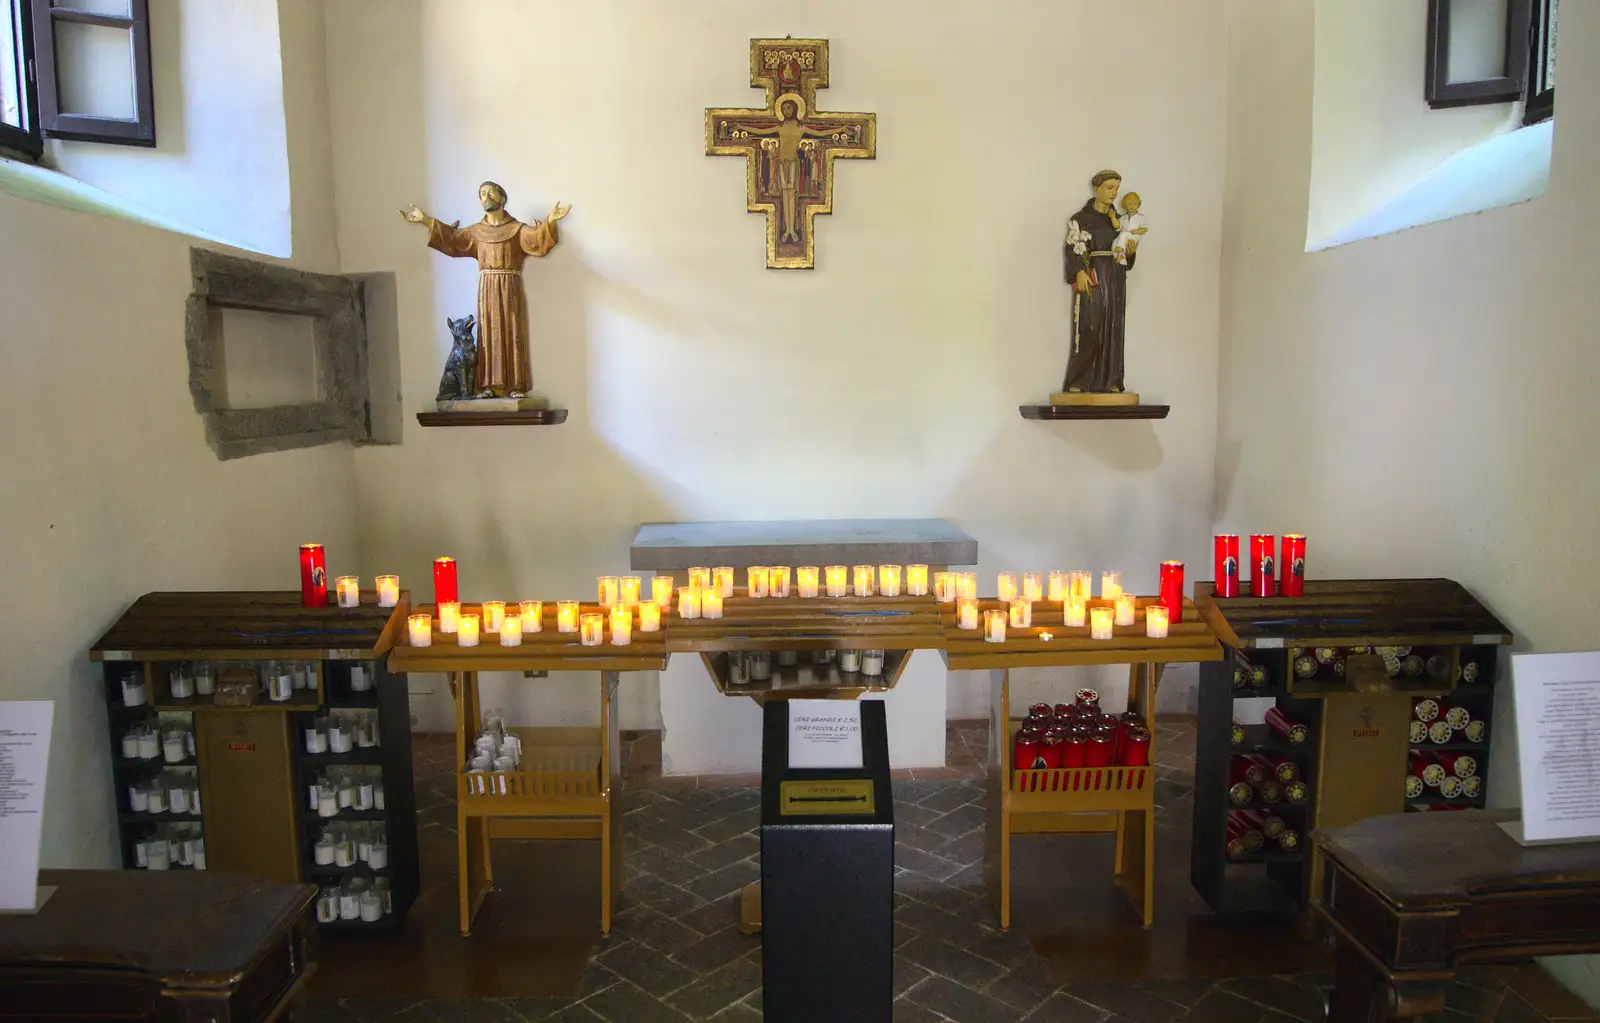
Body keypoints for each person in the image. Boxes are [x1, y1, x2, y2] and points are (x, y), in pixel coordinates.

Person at [401, 183, 570, 398]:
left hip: (510, 286)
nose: (486, 196)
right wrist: (425, 220)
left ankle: (516, 385)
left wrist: (551, 221)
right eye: (482, 193)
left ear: (502, 197)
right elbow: (452, 239)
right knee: (489, 334)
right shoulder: (476, 232)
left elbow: (537, 239)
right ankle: (490, 385)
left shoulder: (516, 229)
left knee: (513, 332)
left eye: (491, 192)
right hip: (487, 288)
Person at [1062, 170, 1137, 394]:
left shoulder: (1120, 222)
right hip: (1093, 276)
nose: (1114, 192)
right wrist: (1079, 271)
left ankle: (1112, 380)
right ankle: (1079, 380)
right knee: (1089, 325)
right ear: (1096, 188)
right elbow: (1073, 248)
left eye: (1116, 188)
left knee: (1114, 326)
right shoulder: (1081, 219)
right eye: (1109, 187)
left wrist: (1130, 253)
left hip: (1115, 278)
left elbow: (1124, 254)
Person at [1112, 191, 1147, 265]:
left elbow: (1144, 229)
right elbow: (1118, 227)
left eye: (1134, 204)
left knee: (1124, 235)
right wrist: (1113, 218)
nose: (1132, 206)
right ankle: (1120, 259)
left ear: (1139, 205)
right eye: (1129, 204)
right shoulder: (1123, 217)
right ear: (1124, 206)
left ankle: (1121, 250)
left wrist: (1136, 232)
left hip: (1134, 237)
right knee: (1115, 242)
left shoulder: (1141, 217)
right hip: (1123, 238)